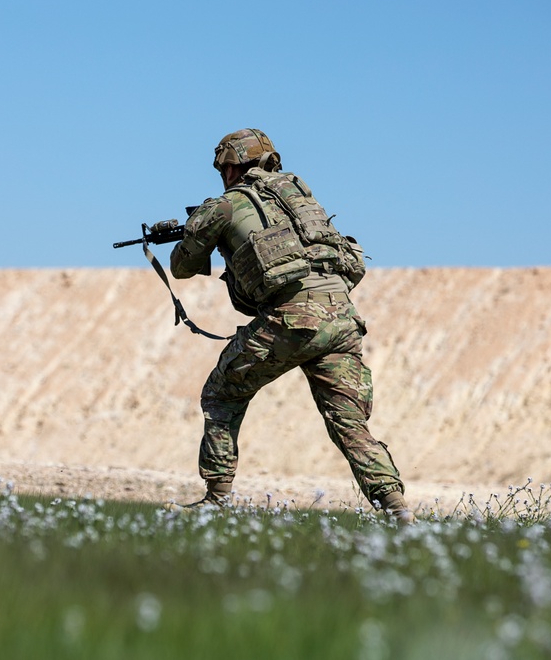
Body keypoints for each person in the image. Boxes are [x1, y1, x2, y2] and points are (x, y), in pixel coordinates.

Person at [168, 128, 413, 523]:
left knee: (221, 394)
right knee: (348, 421)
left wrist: (196, 233)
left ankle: (216, 498)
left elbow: (181, 268)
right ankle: (395, 506)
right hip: (343, 317)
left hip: (292, 320)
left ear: (230, 167)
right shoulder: (300, 199)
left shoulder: (224, 205)